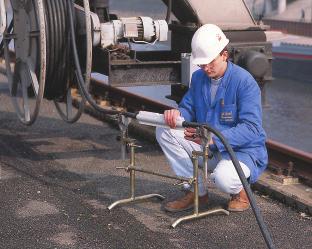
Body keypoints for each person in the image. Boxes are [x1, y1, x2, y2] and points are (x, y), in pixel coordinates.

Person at [156, 24, 268, 213]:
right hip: (208, 145)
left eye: (210, 62)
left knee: (222, 179)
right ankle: (197, 191)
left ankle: (240, 191)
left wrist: (214, 138)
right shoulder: (199, 77)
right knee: (165, 130)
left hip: (241, 152)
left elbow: (252, 128)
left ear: (224, 55)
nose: (206, 68)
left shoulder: (245, 82)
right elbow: (188, 108)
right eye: (201, 64)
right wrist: (177, 115)